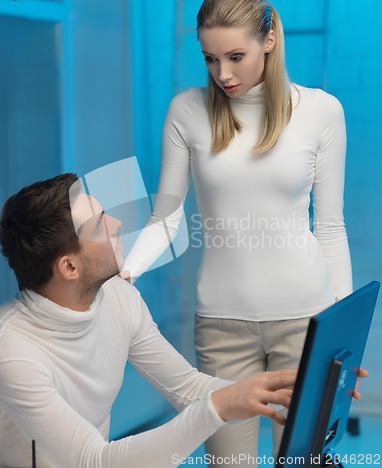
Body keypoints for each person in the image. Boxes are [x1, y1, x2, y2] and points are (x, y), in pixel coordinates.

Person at [120, 0, 353, 465]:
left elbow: (330, 227)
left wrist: (343, 338)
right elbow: (165, 217)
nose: (222, 74)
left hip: (306, 323)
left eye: (235, 56)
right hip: (222, 328)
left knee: (302, 461)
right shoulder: (187, 110)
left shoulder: (322, 111)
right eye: (209, 59)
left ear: (269, 39)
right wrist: (127, 272)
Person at [0, 173, 298, 468]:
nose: (115, 225)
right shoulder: (12, 350)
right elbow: (93, 460)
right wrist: (216, 409)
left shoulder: (118, 296)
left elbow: (189, 389)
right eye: (98, 224)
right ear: (69, 266)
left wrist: (295, 392)